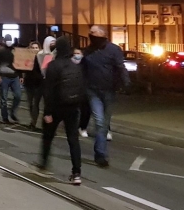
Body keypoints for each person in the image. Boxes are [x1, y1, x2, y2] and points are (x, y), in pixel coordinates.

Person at [38, 36, 85, 185]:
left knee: (48, 136)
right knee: (73, 140)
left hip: (57, 107)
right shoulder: (75, 66)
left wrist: (47, 112)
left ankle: (44, 163)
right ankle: (76, 173)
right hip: (72, 107)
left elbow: (48, 91)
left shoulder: (53, 65)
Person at [81, 25, 127, 167]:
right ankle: (101, 153)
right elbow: (82, 70)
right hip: (92, 91)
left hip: (108, 91)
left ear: (102, 33)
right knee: (99, 121)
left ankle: (100, 151)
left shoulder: (113, 50)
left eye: (93, 32)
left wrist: (126, 83)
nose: (91, 35)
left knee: (104, 123)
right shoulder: (87, 51)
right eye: (90, 33)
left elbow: (120, 67)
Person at [24, 38, 53, 130]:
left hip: (39, 84)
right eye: (33, 47)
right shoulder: (27, 57)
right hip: (29, 83)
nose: (35, 49)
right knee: (31, 104)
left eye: (36, 47)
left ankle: (34, 123)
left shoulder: (43, 57)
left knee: (35, 103)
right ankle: (33, 121)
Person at [0, 34, 21, 124]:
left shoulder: (15, 51)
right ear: (4, 41)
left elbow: (20, 64)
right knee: (3, 98)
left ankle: (12, 111)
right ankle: (5, 117)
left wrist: (21, 76)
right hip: (4, 77)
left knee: (18, 96)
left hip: (15, 76)